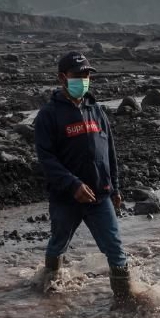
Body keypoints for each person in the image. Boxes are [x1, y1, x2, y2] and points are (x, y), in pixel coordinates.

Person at [34, 51, 133, 304]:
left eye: (87, 75)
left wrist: (115, 188)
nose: (84, 80)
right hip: (66, 198)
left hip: (100, 196)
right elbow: (46, 159)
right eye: (78, 75)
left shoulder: (96, 110)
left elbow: (109, 150)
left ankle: (125, 302)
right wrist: (72, 184)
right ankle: (50, 288)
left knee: (115, 249)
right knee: (58, 244)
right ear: (62, 78)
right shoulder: (48, 115)